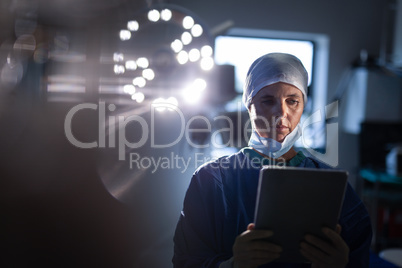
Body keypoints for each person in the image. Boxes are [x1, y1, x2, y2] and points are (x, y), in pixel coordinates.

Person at [172, 53, 372, 268]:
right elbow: (187, 261)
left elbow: (359, 254)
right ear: (249, 106)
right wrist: (232, 265)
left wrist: (341, 265)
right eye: (268, 100)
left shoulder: (334, 187)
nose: (282, 112)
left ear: (303, 106)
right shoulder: (213, 180)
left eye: (292, 101)